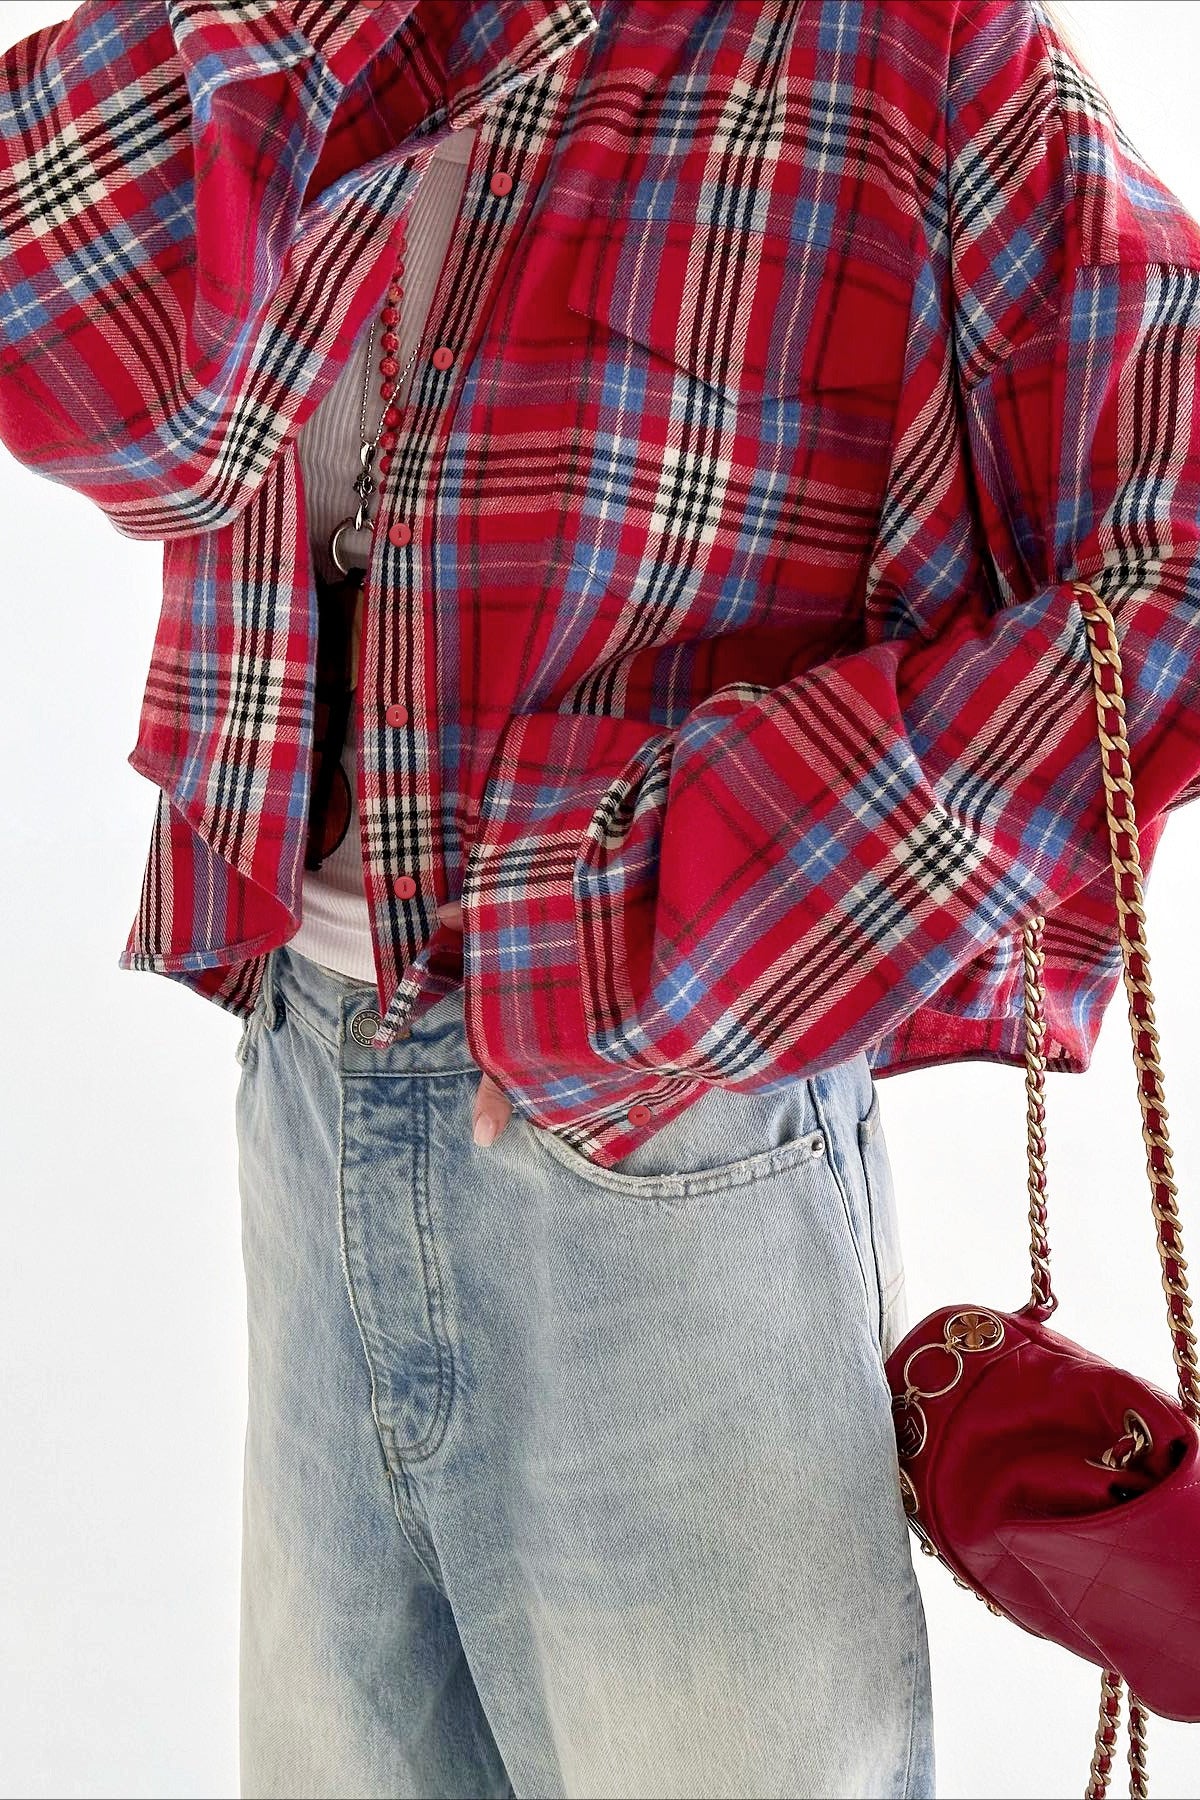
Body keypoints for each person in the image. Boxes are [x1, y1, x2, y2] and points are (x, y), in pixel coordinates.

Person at [2, 2, 1199, 1795]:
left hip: (665, 1162)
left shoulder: (906, 51)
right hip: (306, 1085)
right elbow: (76, 337)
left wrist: (688, 903)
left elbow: (1172, 576)